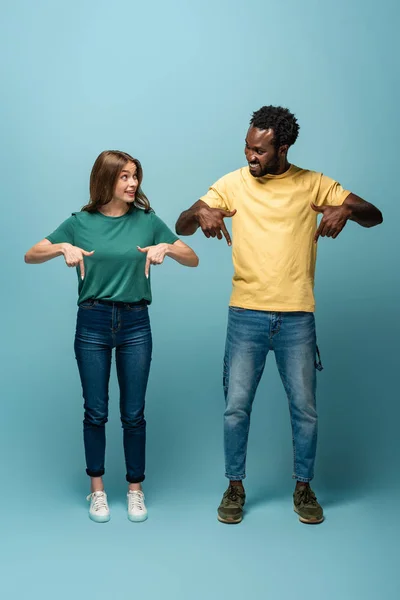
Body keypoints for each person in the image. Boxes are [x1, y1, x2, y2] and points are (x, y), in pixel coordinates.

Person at [175, 106, 382, 525]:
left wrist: (345, 210)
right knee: (236, 407)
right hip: (246, 315)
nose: (250, 155)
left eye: (260, 150)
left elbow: (375, 215)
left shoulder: (314, 183)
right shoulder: (231, 183)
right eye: (248, 147)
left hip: (296, 318)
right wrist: (200, 214)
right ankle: (235, 487)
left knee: (304, 408)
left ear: (282, 147)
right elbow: (181, 225)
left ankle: (303, 488)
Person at [25, 150, 199, 523]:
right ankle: (98, 492)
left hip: (136, 323)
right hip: (93, 322)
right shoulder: (80, 222)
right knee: (96, 411)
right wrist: (61, 247)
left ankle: (135, 490)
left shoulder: (147, 221)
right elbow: (31, 254)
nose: (133, 183)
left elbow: (192, 256)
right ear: (106, 180)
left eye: (135, 175)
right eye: (124, 176)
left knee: (134, 413)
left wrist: (166, 246)